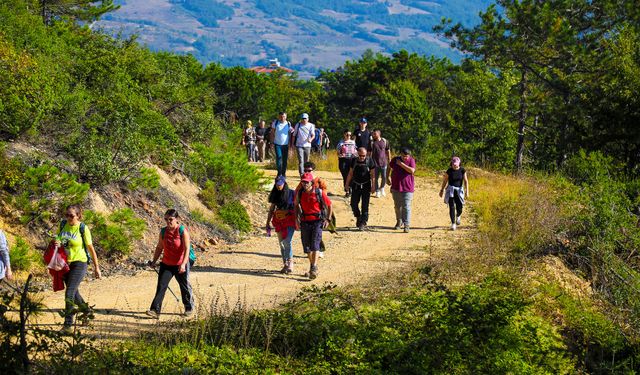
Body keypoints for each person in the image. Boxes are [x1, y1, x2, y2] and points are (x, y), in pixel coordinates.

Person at [57, 205, 101, 333]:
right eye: (67, 215)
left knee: (69, 292)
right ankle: (87, 311)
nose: (69, 218)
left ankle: (68, 325)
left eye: (72, 216)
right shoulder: (63, 225)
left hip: (79, 263)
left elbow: (91, 249)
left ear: (78, 216)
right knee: (74, 293)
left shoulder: (83, 228)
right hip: (65, 264)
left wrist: (96, 267)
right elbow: (61, 242)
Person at [148, 209, 195, 319]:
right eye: (166, 219)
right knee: (161, 286)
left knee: (184, 286)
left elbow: (187, 248)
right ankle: (155, 310)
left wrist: (183, 264)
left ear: (177, 219)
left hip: (180, 263)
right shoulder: (163, 231)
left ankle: (189, 308)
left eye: (170, 219)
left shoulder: (182, 230)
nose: (168, 222)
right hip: (167, 263)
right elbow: (160, 247)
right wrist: (154, 261)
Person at [295, 173, 332, 280]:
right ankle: (312, 267)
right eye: (303, 181)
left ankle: (314, 267)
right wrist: (296, 219)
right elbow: (296, 205)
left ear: (311, 182)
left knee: (315, 244)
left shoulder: (318, 192)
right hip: (305, 221)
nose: (305, 184)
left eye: (307, 182)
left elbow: (329, 205)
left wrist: (328, 219)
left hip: (317, 221)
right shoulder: (300, 193)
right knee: (307, 248)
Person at [266, 175, 297, 274]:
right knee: (281, 244)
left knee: (287, 241)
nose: (279, 186)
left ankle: (290, 262)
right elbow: (272, 209)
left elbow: (297, 207)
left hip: (290, 220)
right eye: (277, 185)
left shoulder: (292, 193)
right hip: (279, 221)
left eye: (280, 184)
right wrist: (267, 222)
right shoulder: (275, 194)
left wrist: (298, 219)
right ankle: (285, 264)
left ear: (284, 183)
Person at [344, 147, 376, 230]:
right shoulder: (354, 161)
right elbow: (350, 173)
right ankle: (358, 216)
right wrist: (347, 184)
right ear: (358, 154)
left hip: (366, 186)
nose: (362, 157)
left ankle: (363, 222)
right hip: (356, 185)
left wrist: (373, 186)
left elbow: (372, 175)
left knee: (365, 205)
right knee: (353, 204)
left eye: (364, 156)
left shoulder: (370, 161)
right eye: (360, 155)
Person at [386, 148, 416, 233]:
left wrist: (401, 164)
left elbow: (412, 170)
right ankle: (399, 222)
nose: (405, 158)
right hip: (396, 187)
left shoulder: (411, 160)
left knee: (406, 206)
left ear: (409, 155)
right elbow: (389, 166)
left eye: (406, 156)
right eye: (403, 156)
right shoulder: (395, 159)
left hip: (408, 187)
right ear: (400, 154)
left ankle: (407, 225)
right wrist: (387, 176)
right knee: (397, 206)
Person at [439, 156, 469, 230]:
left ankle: (458, 215)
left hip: (459, 190)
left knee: (460, 207)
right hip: (451, 190)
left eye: (456, 164)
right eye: (453, 164)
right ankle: (453, 224)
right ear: (451, 164)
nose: (455, 165)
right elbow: (445, 181)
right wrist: (442, 190)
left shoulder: (462, 170)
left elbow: (466, 181)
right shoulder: (449, 171)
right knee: (451, 207)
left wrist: (467, 191)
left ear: (459, 163)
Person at [369, 129, 391, 198]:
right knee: (375, 178)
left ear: (379, 134)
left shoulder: (385, 141)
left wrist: (389, 159)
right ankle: (377, 191)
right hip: (375, 163)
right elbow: (369, 152)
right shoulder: (372, 142)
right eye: (373, 134)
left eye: (374, 134)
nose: (373, 135)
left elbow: (388, 150)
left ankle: (382, 188)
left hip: (384, 163)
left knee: (384, 177)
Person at [270, 112, 293, 176]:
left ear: (286, 117)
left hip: (285, 144)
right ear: (278, 117)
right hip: (277, 144)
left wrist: (290, 143)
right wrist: (271, 142)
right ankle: (279, 172)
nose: (282, 118)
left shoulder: (288, 123)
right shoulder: (275, 123)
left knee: (285, 159)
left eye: (284, 116)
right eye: (281, 116)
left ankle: (283, 173)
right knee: (279, 158)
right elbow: (272, 133)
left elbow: (290, 133)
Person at [336, 129, 357, 197]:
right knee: (345, 176)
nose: (348, 136)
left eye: (350, 135)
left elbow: (355, 150)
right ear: (344, 134)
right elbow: (338, 152)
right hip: (343, 161)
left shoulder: (353, 142)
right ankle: (347, 190)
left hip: (352, 160)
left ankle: (350, 189)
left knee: (351, 175)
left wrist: (356, 154)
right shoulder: (341, 143)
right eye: (347, 135)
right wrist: (340, 155)